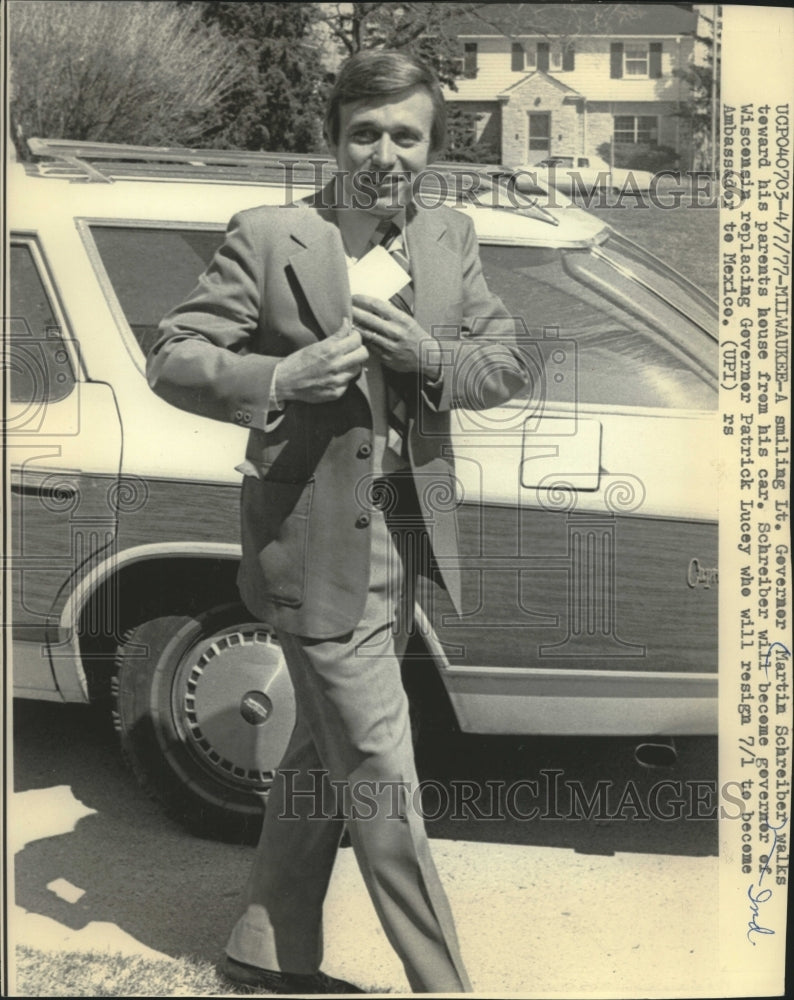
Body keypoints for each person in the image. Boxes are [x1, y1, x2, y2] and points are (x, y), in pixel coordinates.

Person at [147, 49, 529, 995]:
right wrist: (275, 378)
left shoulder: (449, 239)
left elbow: (507, 366)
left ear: (432, 146)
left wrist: (432, 351)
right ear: (332, 138)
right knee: (381, 777)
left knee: (324, 755)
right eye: (365, 133)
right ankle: (444, 983)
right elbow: (175, 354)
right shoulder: (273, 233)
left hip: (407, 543)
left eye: (406, 135)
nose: (385, 154)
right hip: (310, 552)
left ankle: (263, 953)